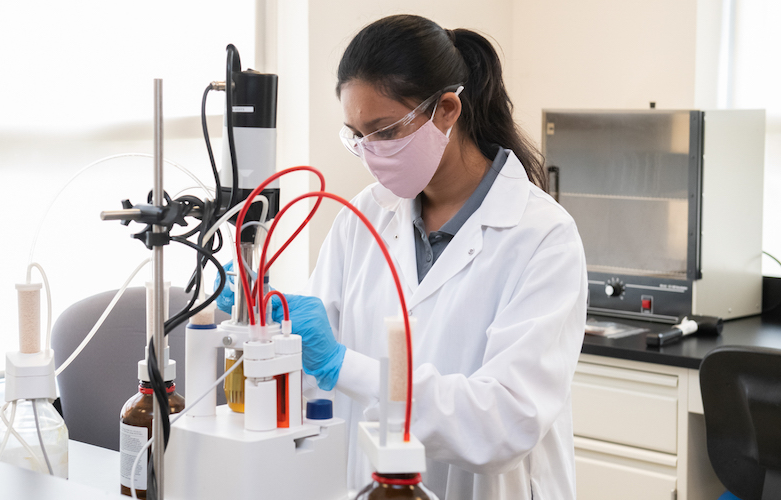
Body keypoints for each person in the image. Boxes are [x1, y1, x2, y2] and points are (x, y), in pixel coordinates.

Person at [222, 14, 586, 500]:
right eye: (357, 135)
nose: (371, 153)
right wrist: (271, 334)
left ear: (447, 110)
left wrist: (340, 363)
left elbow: (504, 423)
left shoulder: (543, 237)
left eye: (384, 131)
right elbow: (317, 388)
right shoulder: (363, 218)